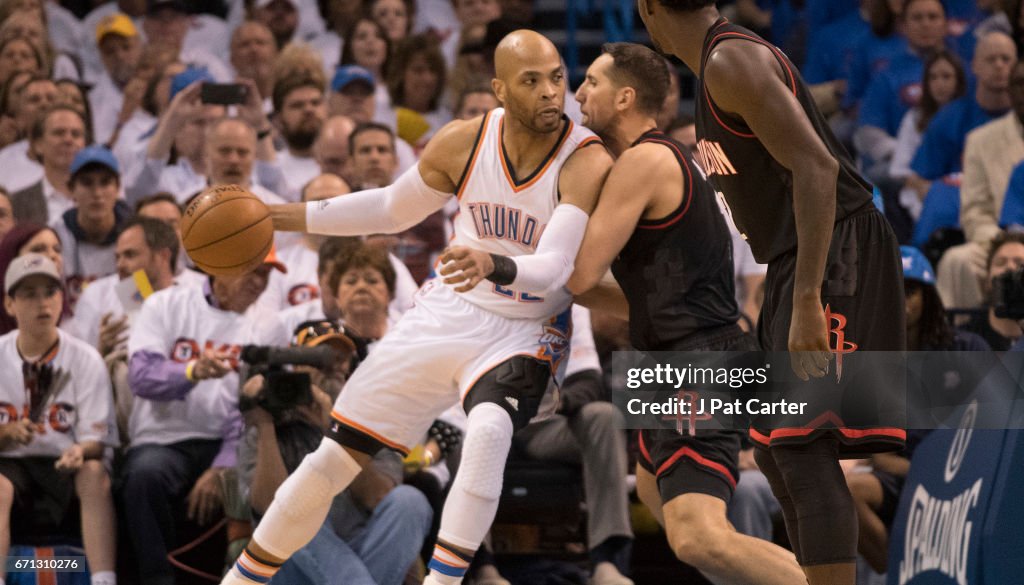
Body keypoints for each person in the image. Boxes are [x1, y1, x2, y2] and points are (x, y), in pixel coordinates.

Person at [221, 29, 611, 585]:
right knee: (334, 458)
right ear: (499, 89)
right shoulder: (462, 141)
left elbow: (554, 266)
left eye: (557, 78)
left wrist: (492, 262)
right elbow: (387, 207)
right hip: (449, 311)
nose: (552, 92)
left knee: (488, 433)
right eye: (532, 81)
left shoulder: (585, 158)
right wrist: (275, 215)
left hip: (526, 326)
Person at [460, 42, 801, 585]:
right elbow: (620, 295)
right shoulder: (646, 162)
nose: (577, 93)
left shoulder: (646, 160)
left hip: (697, 364)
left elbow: (577, 275)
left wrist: (497, 261)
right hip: (665, 358)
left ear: (624, 97)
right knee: (656, 499)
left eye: (590, 82)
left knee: (699, 535)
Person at [637, 3, 906, 584]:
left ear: (648, 7)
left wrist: (808, 296)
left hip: (834, 250)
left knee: (800, 448)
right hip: (799, 254)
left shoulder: (730, 60)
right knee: (774, 449)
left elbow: (816, 166)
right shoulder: (721, 61)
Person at [121, 249, 289, 585]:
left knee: (256, 482)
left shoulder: (270, 324)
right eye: (252, 271)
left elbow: (255, 407)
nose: (260, 284)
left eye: (267, 275)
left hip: (231, 442)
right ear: (219, 267)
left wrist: (222, 465)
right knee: (144, 476)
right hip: (164, 439)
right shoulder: (166, 305)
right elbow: (140, 377)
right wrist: (191, 370)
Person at [236, 319, 432, 585]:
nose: (331, 369)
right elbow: (269, 509)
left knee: (410, 501)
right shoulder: (269, 423)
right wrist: (265, 425)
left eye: (340, 360)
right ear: (296, 366)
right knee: (298, 508)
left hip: (365, 552)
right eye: (319, 360)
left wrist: (335, 429)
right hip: (291, 566)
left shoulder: (372, 425)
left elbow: (378, 497)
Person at [0, 253, 117, 585]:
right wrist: (6, 432)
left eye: (50, 292)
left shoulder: (85, 358)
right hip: (9, 466)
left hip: (64, 462)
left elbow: (97, 438)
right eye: (29, 293)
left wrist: (81, 450)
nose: (43, 303)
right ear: (9, 304)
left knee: (95, 473)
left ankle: (104, 579)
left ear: (62, 299)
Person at [50, 145, 133, 310]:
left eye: (105, 182)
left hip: (121, 328)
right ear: (71, 190)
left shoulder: (134, 236)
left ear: (117, 189)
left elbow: (136, 306)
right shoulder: (55, 235)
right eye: (87, 183)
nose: (97, 193)